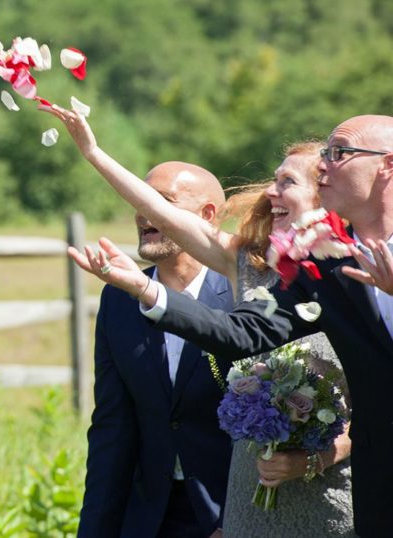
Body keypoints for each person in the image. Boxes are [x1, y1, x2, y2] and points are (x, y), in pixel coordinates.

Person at [68, 115, 393, 538]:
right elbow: (242, 333)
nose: (326, 165)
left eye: (339, 154)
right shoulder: (324, 267)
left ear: (387, 164)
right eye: (324, 155)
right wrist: (144, 290)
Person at [79, 161, 236, 538]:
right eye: (138, 199)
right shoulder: (119, 299)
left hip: (227, 516)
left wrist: (238, 521)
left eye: (160, 200)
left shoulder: (242, 296)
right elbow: (112, 428)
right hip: (148, 517)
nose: (141, 211)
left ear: (207, 214)